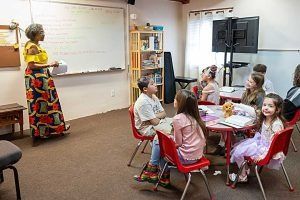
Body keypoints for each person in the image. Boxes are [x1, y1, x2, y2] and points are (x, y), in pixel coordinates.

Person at [134, 89, 207, 187]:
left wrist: (167, 139)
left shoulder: (178, 118)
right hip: (198, 155)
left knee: (157, 142)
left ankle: (152, 170)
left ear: (180, 103)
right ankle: (160, 175)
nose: (174, 100)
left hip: (186, 158)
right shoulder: (195, 116)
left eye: (175, 99)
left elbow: (178, 143)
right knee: (159, 142)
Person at [23, 23, 70, 143]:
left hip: (42, 76)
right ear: (35, 35)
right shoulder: (32, 47)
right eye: (41, 32)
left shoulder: (36, 45)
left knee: (48, 103)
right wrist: (50, 64)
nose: (44, 34)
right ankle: (42, 132)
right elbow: (31, 65)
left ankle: (51, 129)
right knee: (41, 105)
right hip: (36, 79)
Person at [229, 93, 285, 182]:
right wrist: (236, 104)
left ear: (277, 110)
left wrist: (263, 155)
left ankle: (242, 176)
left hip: (266, 149)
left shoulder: (276, 124)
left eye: (270, 106)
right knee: (239, 148)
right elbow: (252, 111)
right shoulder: (266, 117)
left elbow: (274, 143)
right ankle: (245, 169)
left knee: (238, 152)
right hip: (261, 142)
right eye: (264, 105)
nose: (266, 108)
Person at [212, 72, 265, 156]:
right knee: (223, 121)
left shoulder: (260, 96)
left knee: (226, 125)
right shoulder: (246, 92)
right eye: (248, 80)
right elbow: (243, 108)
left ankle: (228, 147)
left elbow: (257, 114)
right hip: (245, 117)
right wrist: (235, 109)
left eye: (251, 82)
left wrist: (238, 106)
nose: (247, 82)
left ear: (257, 85)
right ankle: (227, 145)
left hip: (255, 122)